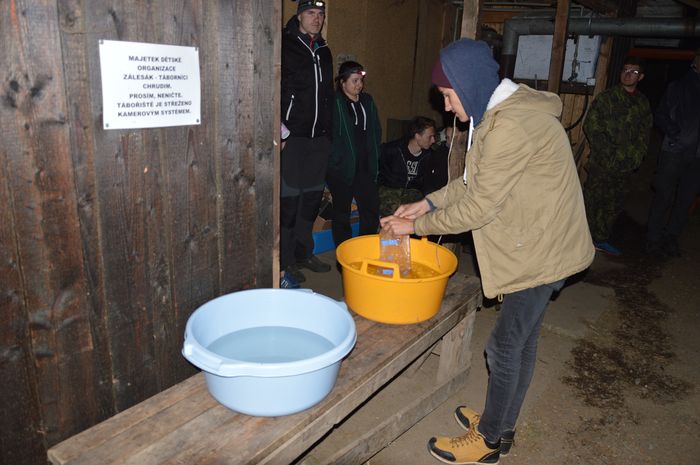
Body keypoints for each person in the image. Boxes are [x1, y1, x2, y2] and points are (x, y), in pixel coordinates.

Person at [380, 38, 594, 465]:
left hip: (541, 251)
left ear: (469, 83)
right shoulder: (497, 116)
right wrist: (426, 203)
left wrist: (414, 227)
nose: (444, 106)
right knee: (522, 344)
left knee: (503, 348)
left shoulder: (510, 127)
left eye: (447, 95)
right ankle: (502, 425)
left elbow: (478, 207)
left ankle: (490, 440)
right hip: (539, 241)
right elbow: (470, 184)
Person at [280, 0, 333, 288]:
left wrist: (329, 134)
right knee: (289, 203)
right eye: (311, 13)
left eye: (321, 14)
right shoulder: (285, 45)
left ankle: (304, 253)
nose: (317, 18)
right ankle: (285, 260)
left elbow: (328, 94)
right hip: (293, 139)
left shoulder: (323, 50)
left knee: (311, 202)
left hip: (319, 141)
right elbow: (275, 88)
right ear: (299, 16)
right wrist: (281, 131)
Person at [582, 56, 653, 256]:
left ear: (641, 77)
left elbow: (645, 132)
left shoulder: (642, 103)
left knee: (613, 204)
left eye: (633, 71)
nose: (628, 74)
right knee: (592, 201)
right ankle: (582, 240)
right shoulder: (607, 98)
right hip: (602, 165)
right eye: (625, 70)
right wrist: (608, 154)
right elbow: (592, 126)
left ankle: (601, 239)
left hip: (625, 167)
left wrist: (637, 156)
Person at [646, 48, 700, 257]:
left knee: (685, 200)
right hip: (674, 152)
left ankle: (671, 238)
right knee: (664, 196)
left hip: (697, 158)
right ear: (695, 62)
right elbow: (660, 115)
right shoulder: (677, 87)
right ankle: (652, 239)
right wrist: (676, 134)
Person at [326, 61, 382, 247]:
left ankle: (364, 249)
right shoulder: (336, 102)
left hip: (364, 167)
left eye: (361, 80)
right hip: (342, 169)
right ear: (343, 83)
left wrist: (375, 157)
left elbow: (376, 130)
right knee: (342, 214)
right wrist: (336, 160)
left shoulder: (367, 101)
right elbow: (331, 134)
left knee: (371, 209)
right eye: (354, 81)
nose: (359, 85)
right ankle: (344, 253)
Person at [377, 117, 437, 216]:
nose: (433, 140)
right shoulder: (392, 149)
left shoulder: (430, 155)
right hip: (390, 190)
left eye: (434, 136)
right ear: (417, 136)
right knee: (395, 209)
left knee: (426, 211)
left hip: (413, 192)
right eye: (430, 137)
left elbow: (429, 184)